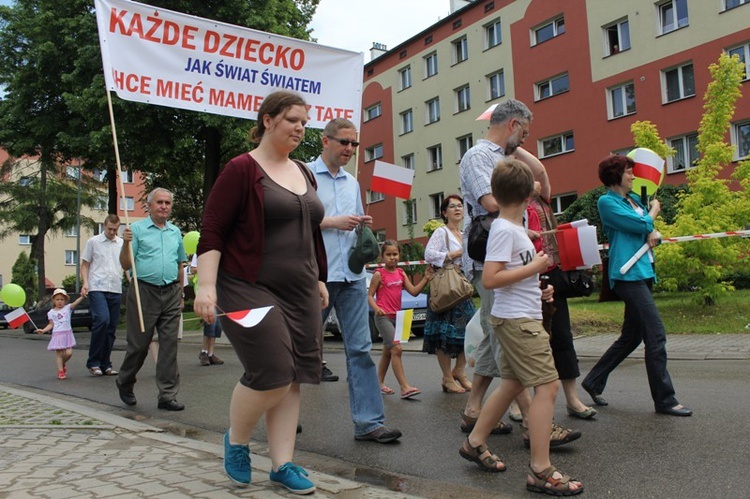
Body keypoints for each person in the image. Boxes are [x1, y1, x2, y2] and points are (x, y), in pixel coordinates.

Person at [194, 90, 327, 493]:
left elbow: (310, 229)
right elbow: (213, 230)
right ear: (267, 120)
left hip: (301, 287)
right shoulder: (241, 169)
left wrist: (319, 276)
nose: (300, 128)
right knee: (272, 370)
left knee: (296, 375)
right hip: (248, 284)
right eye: (292, 120)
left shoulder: (304, 171)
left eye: (304, 122)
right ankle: (236, 441)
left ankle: (282, 463)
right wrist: (206, 286)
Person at [459, 159, 583, 496]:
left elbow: (514, 272)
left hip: (519, 315)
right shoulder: (503, 231)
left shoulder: (513, 229)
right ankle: (541, 469)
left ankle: (474, 442)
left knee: (512, 385)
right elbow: (491, 278)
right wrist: (534, 270)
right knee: (548, 388)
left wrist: (539, 284)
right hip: (518, 322)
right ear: (531, 192)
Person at [459, 99, 555, 439]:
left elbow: (539, 176)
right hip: (490, 257)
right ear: (512, 124)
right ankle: (531, 419)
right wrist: (527, 192)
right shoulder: (479, 157)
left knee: (494, 332)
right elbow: (492, 203)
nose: (525, 141)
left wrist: (517, 155)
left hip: (506, 254)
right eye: (524, 132)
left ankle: (474, 411)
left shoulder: (502, 158)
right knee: (503, 333)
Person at [309, 117, 402, 444]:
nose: (350, 149)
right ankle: (281, 414)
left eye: (354, 144)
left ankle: (369, 423)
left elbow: (354, 225)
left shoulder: (352, 183)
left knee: (361, 350)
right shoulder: (305, 176)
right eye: (343, 142)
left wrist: (362, 225)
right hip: (316, 276)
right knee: (298, 350)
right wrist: (334, 221)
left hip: (351, 277)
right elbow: (294, 218)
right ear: (325, 141)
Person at [581, 154, 692, 417]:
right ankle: (665, 400)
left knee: (632, 336)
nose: (632, 176)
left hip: (643, 271)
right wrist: (652, 214)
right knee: (656, 334)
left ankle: (593, 381)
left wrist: (654, 232)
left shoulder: (632, 201)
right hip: (626, 275)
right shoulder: (607, 202)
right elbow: (639, 224)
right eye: (628, 172)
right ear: (615, 176)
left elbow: (647, 231)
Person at [526, 182, 597, 419]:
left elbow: (543, 175)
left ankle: (572, 399)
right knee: (527, 344)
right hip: (525, 276)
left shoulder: (543, 200)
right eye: (530, 179)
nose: (537, 183)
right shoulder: (511, 209)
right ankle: (520, 403)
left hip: (551, 271)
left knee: (563, 337)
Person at [116, 187, 187, 412]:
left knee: (169, 346)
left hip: (171, 292)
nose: (164, 206)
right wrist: (126, 243)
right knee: (139, 345)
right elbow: (126, 265)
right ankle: (125, 382)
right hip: (143, 292)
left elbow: (179, 264)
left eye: (167, 203)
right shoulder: (135, 230)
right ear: (149, 205)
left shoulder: (175, 232)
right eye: (160, 202)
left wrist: (181, 293)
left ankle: (167, 395)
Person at [423, 195, 476, 394]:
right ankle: (447, 377)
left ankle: (459, 371)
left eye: (460, 206)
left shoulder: (464, 233)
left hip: (462, 290)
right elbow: (429, 255)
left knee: (470, 331)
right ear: (444, 212)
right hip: (446, 289)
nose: (457, 209)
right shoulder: (440, 232)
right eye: (452, 206)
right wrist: (452, 254)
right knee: (443, 335)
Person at [367, 240, 431, 399]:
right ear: (382, 257)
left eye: (395, 254)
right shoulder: (378, 274)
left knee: (388, 352)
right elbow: (369, 296)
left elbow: (414, 291)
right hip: (383, 318)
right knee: (397, 349)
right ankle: (405, 387)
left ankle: (378, 383)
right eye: (388, 255)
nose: (392, 257)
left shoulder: (401, 273)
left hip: (399, 317)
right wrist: (377, 309)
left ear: (399, 255)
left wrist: (426, 278)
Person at [81, 214, 124, 377]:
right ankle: (93, 362)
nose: (112, 232)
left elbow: (126, 265)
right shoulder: (93, 242)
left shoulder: (121, 243)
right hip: (97, 287)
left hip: (115, 288)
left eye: (115, 229)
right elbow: (85, 264)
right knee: (102, 320)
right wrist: (85, 282)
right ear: (104, 226)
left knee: (111, 327)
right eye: (109, 229)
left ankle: (106, 363)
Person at [36, 288, 85, 380]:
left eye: (62, 299)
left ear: (65, 301)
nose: (59, 302)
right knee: (59, 354)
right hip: (58, 335)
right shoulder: (51, 312)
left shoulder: (67, 308)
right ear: (53, 300)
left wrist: (82, 297)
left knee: (69, 353)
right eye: (57, 299)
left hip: (67, 334)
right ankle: (60, 371)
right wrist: (43, 330)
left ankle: (62, 364)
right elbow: (51, 324)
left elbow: (75, 303)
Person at [190, 254, 223, 366]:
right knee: (210, 320)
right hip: (205, 291)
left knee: (217, 322)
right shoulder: (200, 252)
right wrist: (209, 269)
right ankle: (204, 351)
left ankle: (211, 353)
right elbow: (193, 269)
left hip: (219, 288)